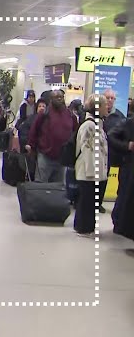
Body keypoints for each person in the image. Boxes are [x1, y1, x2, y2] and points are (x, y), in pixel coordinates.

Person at [73, 94, 109, 238]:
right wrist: (92, 174)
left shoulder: (98, 124)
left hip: (97, 172)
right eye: (105, 105)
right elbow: (87, 150)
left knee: (92, 202)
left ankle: (88, 226)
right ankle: (83, 227)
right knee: (86, 201)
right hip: (89, 173)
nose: (107, 107)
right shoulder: (88, 125)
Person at [26, 89, 77, 183]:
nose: (59, 99)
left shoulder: (70, 115)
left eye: (60, 97)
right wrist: (30, 145)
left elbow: (75, 132)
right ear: (51, 99)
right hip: (45, 156)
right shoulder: (44, 114)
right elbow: (34, 130)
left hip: (62, 158)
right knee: (41, 186)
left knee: (58, 188)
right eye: (56, 97)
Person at [108, 115, 134, 241]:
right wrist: (126, 146)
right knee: (124, 195)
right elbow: (111, 136)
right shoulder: (127, 123)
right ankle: (119, 224)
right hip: (128, 166)